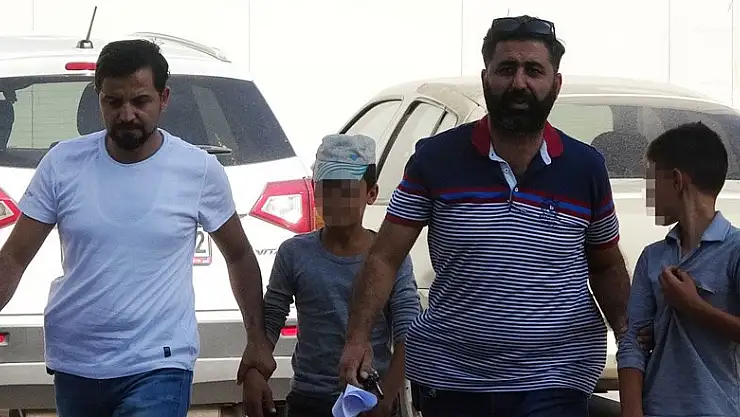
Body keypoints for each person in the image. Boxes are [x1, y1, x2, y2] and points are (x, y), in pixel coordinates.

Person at [339, 15, 632, 417]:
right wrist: (358, 338)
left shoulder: (585, 168)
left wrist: (629, 339)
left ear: (555, 83)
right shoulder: (436, 159)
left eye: (534, 71)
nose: (519, 83)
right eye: (506, 69)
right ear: (485, 78)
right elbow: (384, 256)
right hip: (453, 377)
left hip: (556, 375)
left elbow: (606, 265)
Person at [0, 39, 275, 417]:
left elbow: (239, 255)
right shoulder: (62, 164)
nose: (126, 114)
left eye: (140, 101)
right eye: (113, 102)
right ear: (98, 99)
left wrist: (257, 340)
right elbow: (14, 257)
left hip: (160, 363)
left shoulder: (197, 170)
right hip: (77, 363)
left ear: (164, 99)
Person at [242, 134, 421, 417]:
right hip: (309, 398)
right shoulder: (294, 253)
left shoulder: (390, 258)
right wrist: (255, 370)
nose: (335, 201)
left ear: (371, 193)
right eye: (326, 189)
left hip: (369, 399)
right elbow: (272, 316)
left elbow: (407, 330)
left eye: (346, 190)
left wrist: (387, 397)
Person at [618, 122, 740, 417]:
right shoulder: (653, 257)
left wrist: (692, 306)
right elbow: (632, 343)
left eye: (651, 181)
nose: (649, 195)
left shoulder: (734, 251)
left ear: (676, 180)